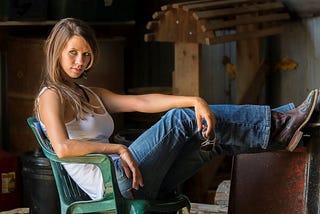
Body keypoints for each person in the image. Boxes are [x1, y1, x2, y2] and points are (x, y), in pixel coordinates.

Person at [33, 18, 319, 201]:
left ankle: (285, 131)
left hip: (134, 176)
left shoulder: (89, 94)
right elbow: (63, 148)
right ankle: (282, 122)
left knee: (209, 139)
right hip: (113, 182)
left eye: (86, 54)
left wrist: (194, 100)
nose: (80, 61)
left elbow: (141, 102)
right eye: (72, 52)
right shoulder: (51, 96)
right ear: (57, 52)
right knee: (180, 120)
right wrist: (117, 149)